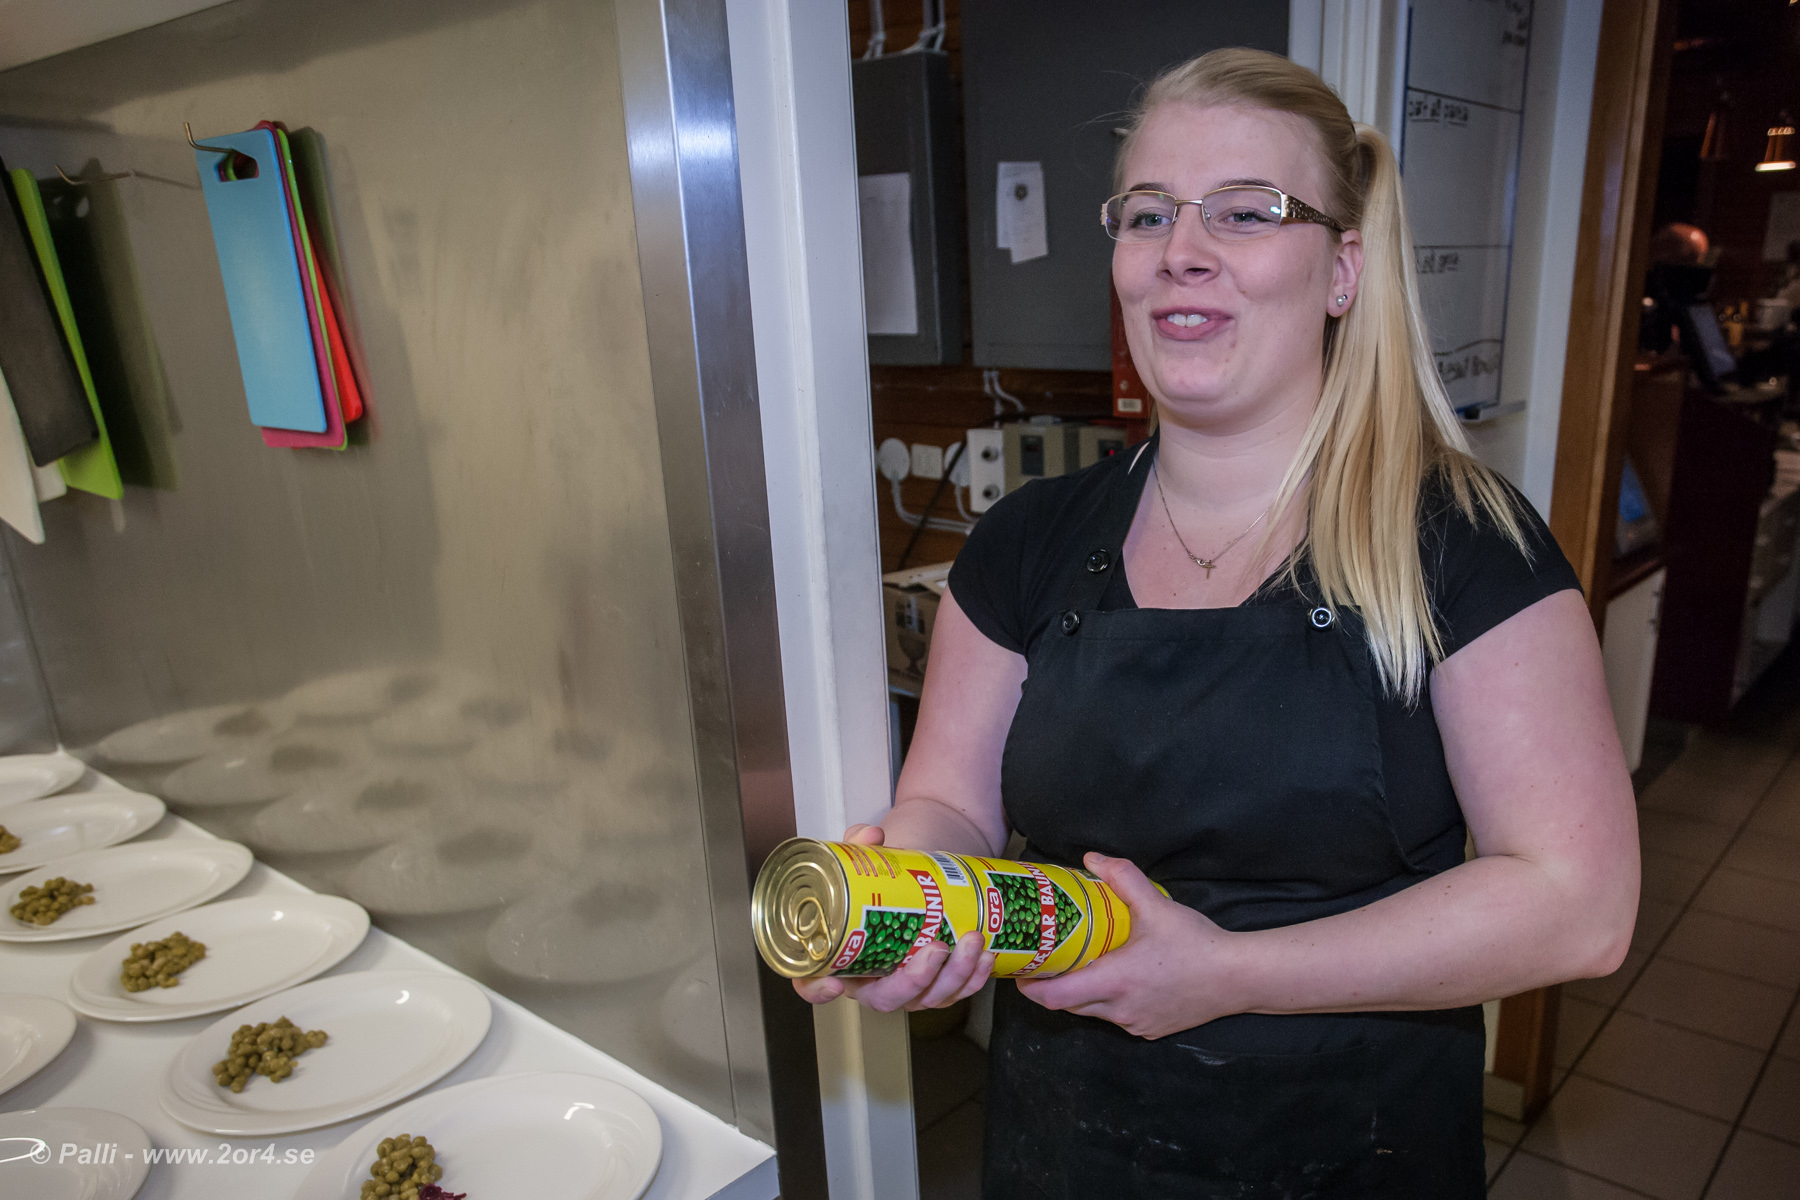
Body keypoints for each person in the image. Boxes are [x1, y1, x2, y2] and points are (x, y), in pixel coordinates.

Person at [797, 47, 1639, 1198]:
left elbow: (1579, 905)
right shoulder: (1027, 539)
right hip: (1068, 1145)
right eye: (1148, 214)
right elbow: (951, 805)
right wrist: (914, 903)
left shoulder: (1462, 541)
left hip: (1352, 1149)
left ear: (1342, 269)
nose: (1180, 251)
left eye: (1245, 212)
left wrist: (1231, 971)